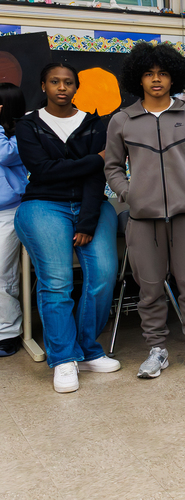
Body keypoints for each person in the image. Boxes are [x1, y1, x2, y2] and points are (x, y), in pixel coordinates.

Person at [104, 42, 185, 378]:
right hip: (143, 219)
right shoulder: (122, 120)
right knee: (150, 287)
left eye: (163, 73)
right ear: (137, 78)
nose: (156, 80)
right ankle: (156, 351)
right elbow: (112, 166)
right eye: (148, 73)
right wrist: (130, 194)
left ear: (174, 78)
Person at [15, 63, 121, 392]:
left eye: (68, 82)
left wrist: (88, 220)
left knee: (103, 275)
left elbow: (95, 177)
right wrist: (97, 158)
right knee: (57, 281)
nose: (62, 87)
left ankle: (88, 350)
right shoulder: (28, 125)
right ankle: (63, 359)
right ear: (43, 85)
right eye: (55, 82)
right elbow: (43, 171)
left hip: (92, 205)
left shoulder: (94, 124)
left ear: (77, 88)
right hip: (43, 204)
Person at [0, 83, 28, 357]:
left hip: (9, 211)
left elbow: (5, 155)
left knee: (2, 273)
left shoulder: (22, 131)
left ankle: (7, 332)